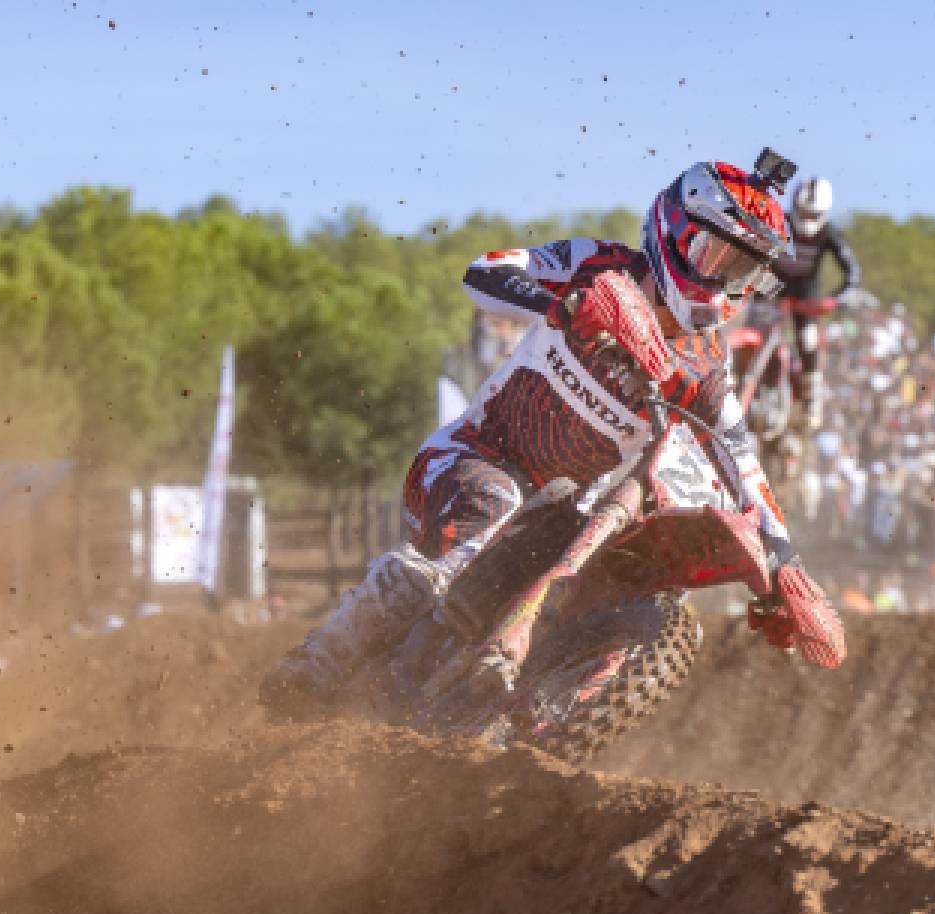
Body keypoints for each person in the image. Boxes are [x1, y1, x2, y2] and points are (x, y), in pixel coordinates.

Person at [263, 155, 845, 700]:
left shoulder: (705, 366)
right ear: (673, 231)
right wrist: (565, 305)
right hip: (473, 458)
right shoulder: (598, 264)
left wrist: (790, 572)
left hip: (565, 513)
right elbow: (484, 272)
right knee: (492, 506)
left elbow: (744, 466)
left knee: (615, 570)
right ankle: (322, 657)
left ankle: (528, 707)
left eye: (741, 269)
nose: (721, 280)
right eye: (713, 255)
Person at [771, 175, 861, 431]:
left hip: (806, 298)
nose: (807, 220)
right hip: (769, 288)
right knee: (748, 323)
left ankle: (811, 402)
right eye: (803, 213)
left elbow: (853, 274)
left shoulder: (829, 233)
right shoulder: (776, 221)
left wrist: (833, 300)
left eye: (813, 215)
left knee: (808, 340)